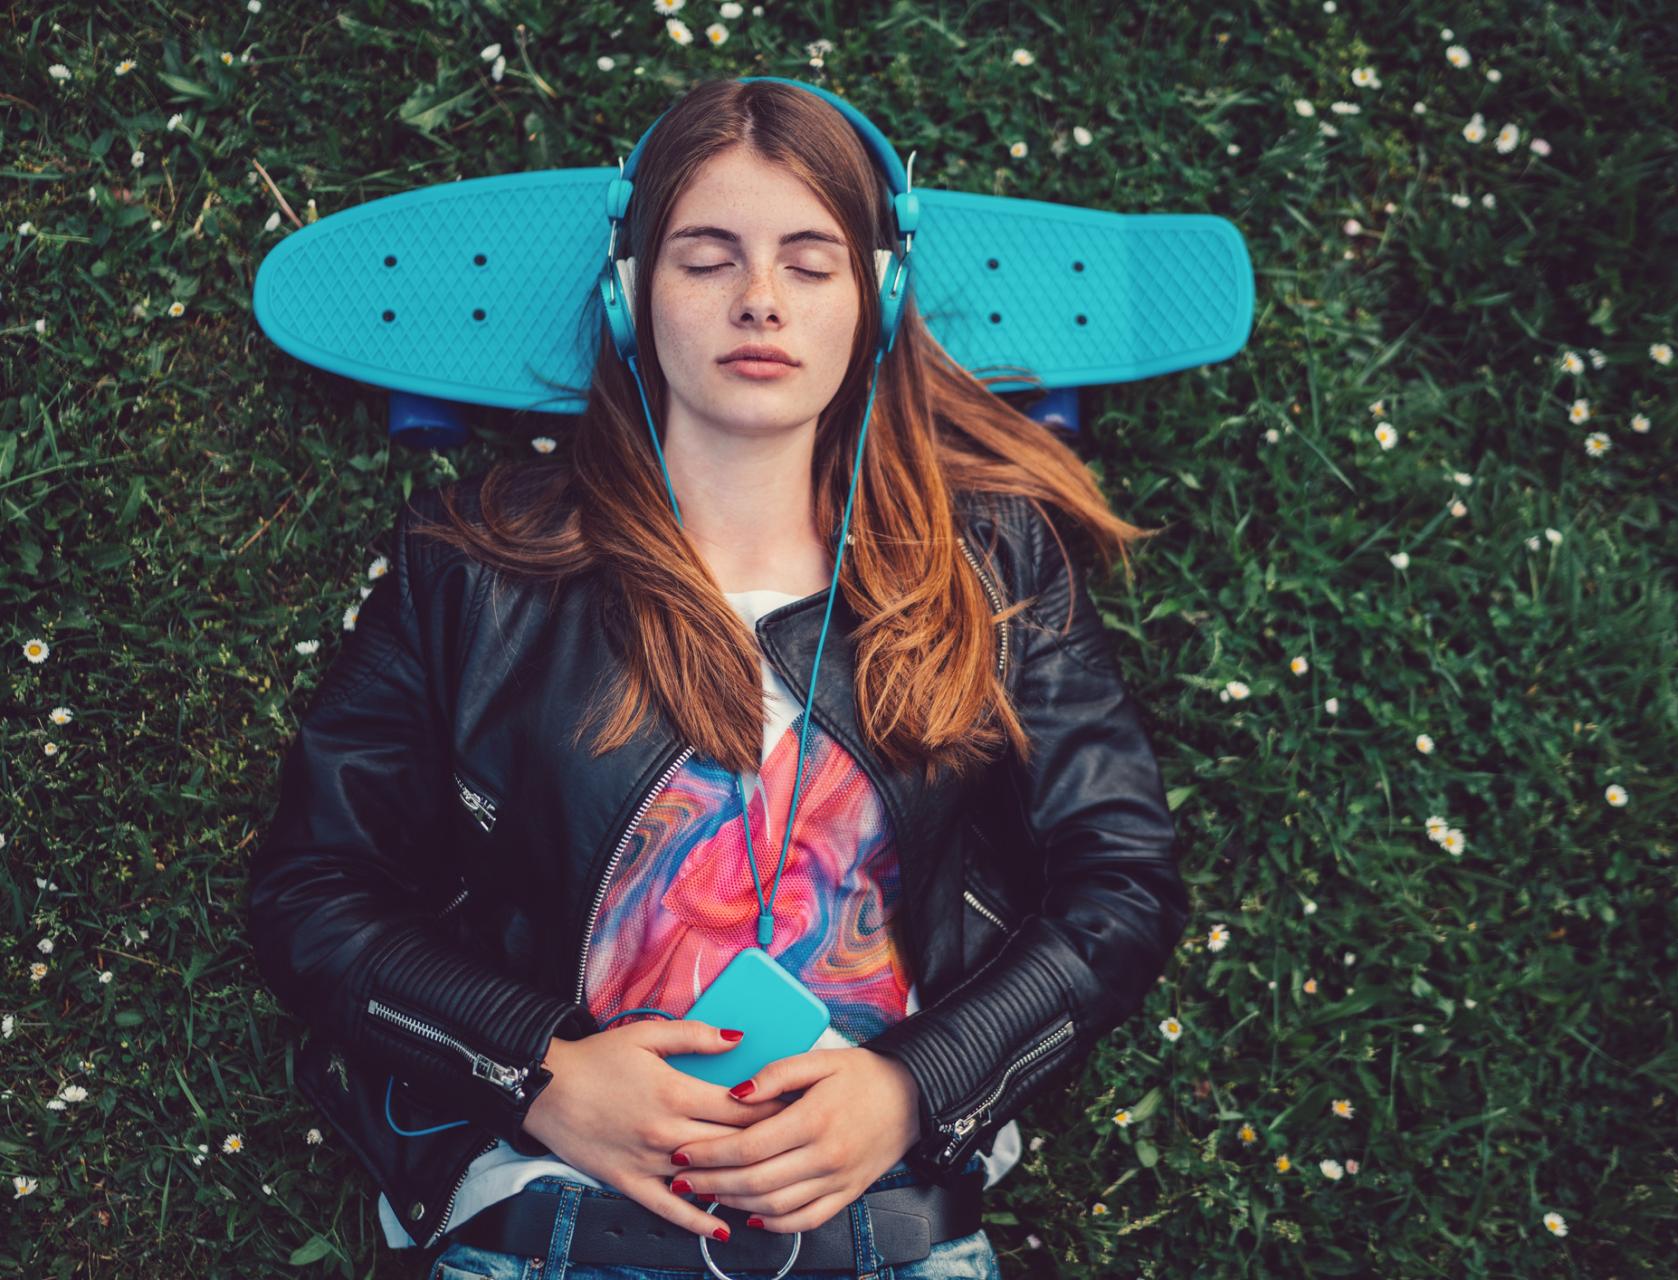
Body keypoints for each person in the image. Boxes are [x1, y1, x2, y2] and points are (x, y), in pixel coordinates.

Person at [247, 77, 1189, 1280]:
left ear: (876, 299)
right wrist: (537, 1070)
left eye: (810, 262)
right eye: (706, 259)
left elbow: (1120, 880)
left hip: (894, 1239)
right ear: (628, 294)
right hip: (546, 1233)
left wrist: (913, 1085)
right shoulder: (469, 562)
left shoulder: (990, 561)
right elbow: (312, 890)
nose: (759, 299)